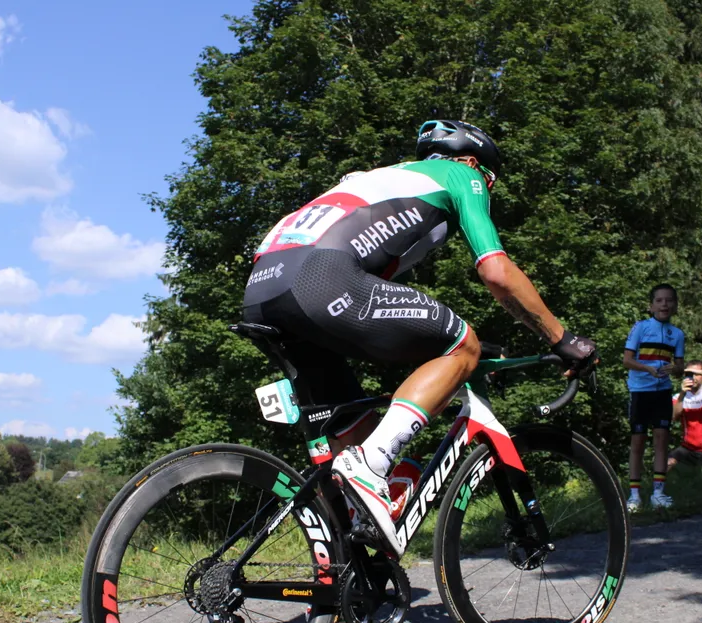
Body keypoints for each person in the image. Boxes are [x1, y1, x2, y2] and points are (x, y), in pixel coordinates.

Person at [241, 120, 597, 557]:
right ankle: (372, 466)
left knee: (349, 435)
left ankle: (349, 576)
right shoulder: (460, 174)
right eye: (490, 178)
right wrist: (562, 338)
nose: (488, 187)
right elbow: (496, 272)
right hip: (320, 277)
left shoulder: (377, 179)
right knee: (460, 346)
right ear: (470, 160)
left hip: (263, 289)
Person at [622, 284, 684, 511]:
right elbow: (627, 360)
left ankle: (658, 493)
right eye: (659, 301)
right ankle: (634, 496)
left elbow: (679, 366)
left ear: (675, 306)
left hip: (662, 393)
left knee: (661, 441)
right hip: (640, 392)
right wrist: (647, 369)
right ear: (651, 306)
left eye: (669, 301)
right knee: (637, 442)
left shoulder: (677, 334)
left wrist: (674, 370)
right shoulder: (640, 327)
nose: (664, 305)